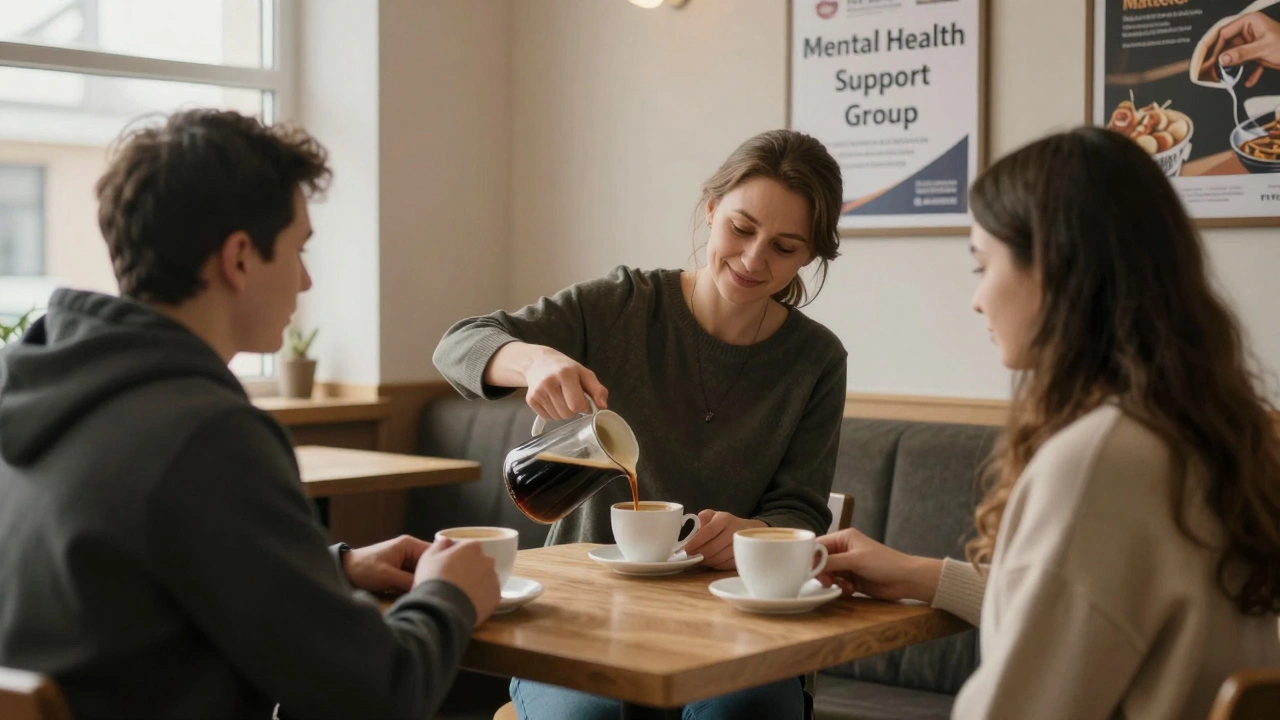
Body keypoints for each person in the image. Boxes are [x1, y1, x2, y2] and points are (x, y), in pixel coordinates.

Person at [0, 109, 502, 720]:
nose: (306, 280)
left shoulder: (38, 389)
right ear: (239, 258)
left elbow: (136, 583)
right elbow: (379, 694)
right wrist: (449, 595)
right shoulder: (207, 435)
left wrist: (332, 568)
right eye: (298, 250)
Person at [815, 126, 1280, 719]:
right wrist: (921, 576)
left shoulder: (1101, 460)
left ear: (1056, 270)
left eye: (982, 266)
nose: (977, 299)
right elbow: (1105, 613)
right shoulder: (1202, 433)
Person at [433, 128, 849, 719]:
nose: (754, 259)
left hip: (736, 622)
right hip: (579, 617)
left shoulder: (815, 360)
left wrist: (754, 532)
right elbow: (457, 346)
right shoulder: (622, 305)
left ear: (809, 255)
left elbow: (801, 511)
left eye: (784, 247)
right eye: (741, 228)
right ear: (711, 209)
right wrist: (535, 360)